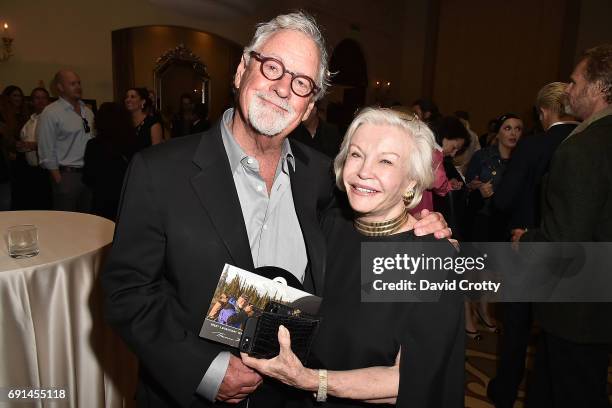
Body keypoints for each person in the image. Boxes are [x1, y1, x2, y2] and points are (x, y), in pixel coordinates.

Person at [102, 12, 449, 408]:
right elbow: (127, 292)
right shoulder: (158, 171)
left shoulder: (325, 177)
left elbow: (369, 232)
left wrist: (419, 229)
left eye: (301, 83)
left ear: (308, 108)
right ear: (240, 71)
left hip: (292, 392)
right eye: (272, 67)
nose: (283, 88)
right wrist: (205, 370)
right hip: (192, 396)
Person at [241, 108, 464, 407]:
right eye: (356, 155)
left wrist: (309, 380)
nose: (363, 171)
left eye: (385, 160)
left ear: (412, 181)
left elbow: (409, 379)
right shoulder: (328, 226)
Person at [524, 44, 612, 408]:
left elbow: (565, 240)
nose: (569, 90)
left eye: (574, 82)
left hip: (576, 309)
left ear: (598, 87)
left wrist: (527, 240)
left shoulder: (584, 148)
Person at [464, 113, 523, 339]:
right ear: (498, 132)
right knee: (474, 270)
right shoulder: (483, 156)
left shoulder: (522, 158)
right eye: (508, 128)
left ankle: (484, 310)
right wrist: (477, 188)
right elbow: (467, 187)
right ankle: (468, 313)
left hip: (506, 223)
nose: (513, 133)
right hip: (481, 219)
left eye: (517, 129)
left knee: (494, 273)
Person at [37, 69, 94, 212]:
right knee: (66, 225)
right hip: (67, 176)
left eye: (79, 83)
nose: (78, 87)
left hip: (90, 175)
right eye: (72, 84)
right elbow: (46, 150)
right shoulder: (51, 112)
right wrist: (59, 180)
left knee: (89, 222)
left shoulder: (87, 111)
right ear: (60, 87)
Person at [83, 102, 136, 220]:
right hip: (125, 199)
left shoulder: (93, 145)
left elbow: (88, 178)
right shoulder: (131, 144)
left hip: (101, 200)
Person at [16, 87, 52, 210]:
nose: (40, 101)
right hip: (31, 171)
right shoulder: (29, 122)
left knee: (47, 207)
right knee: (33, 206)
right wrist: (20, 146)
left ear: (48, 101)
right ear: (31, 101)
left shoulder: (52, 119)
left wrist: (34, 145)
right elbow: (23, 144)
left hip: (48, 172)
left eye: (43, 98)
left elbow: (56, 143)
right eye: (37, 98)